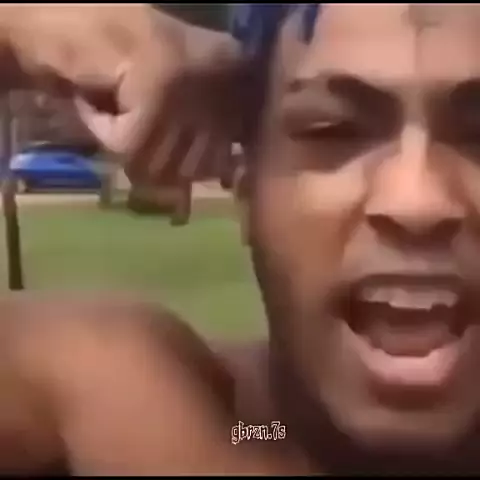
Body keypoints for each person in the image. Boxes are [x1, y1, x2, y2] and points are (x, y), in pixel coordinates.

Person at [2, 2, 480, 475]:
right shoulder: (213, 428)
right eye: (333, 129)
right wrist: (23, 25)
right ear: (247, 189)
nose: (416, 200)